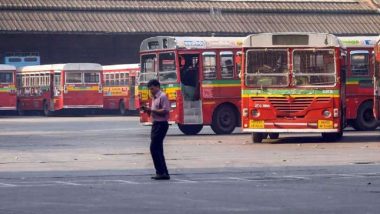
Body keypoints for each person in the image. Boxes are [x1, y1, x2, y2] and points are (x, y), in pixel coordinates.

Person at [141, 79, 171, 180]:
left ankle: (161, 172)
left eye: (152, 89)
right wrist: (148, 111)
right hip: (156, 123)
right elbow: (154, 111)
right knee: (158, 149)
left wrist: (151, 110)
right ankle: (163, 172)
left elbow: (165, 110)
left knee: (154, 148)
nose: (151, 91)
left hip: (161, 124)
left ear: (157, 86)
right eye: (150, 89)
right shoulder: (154, 97)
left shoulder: (162, 96)